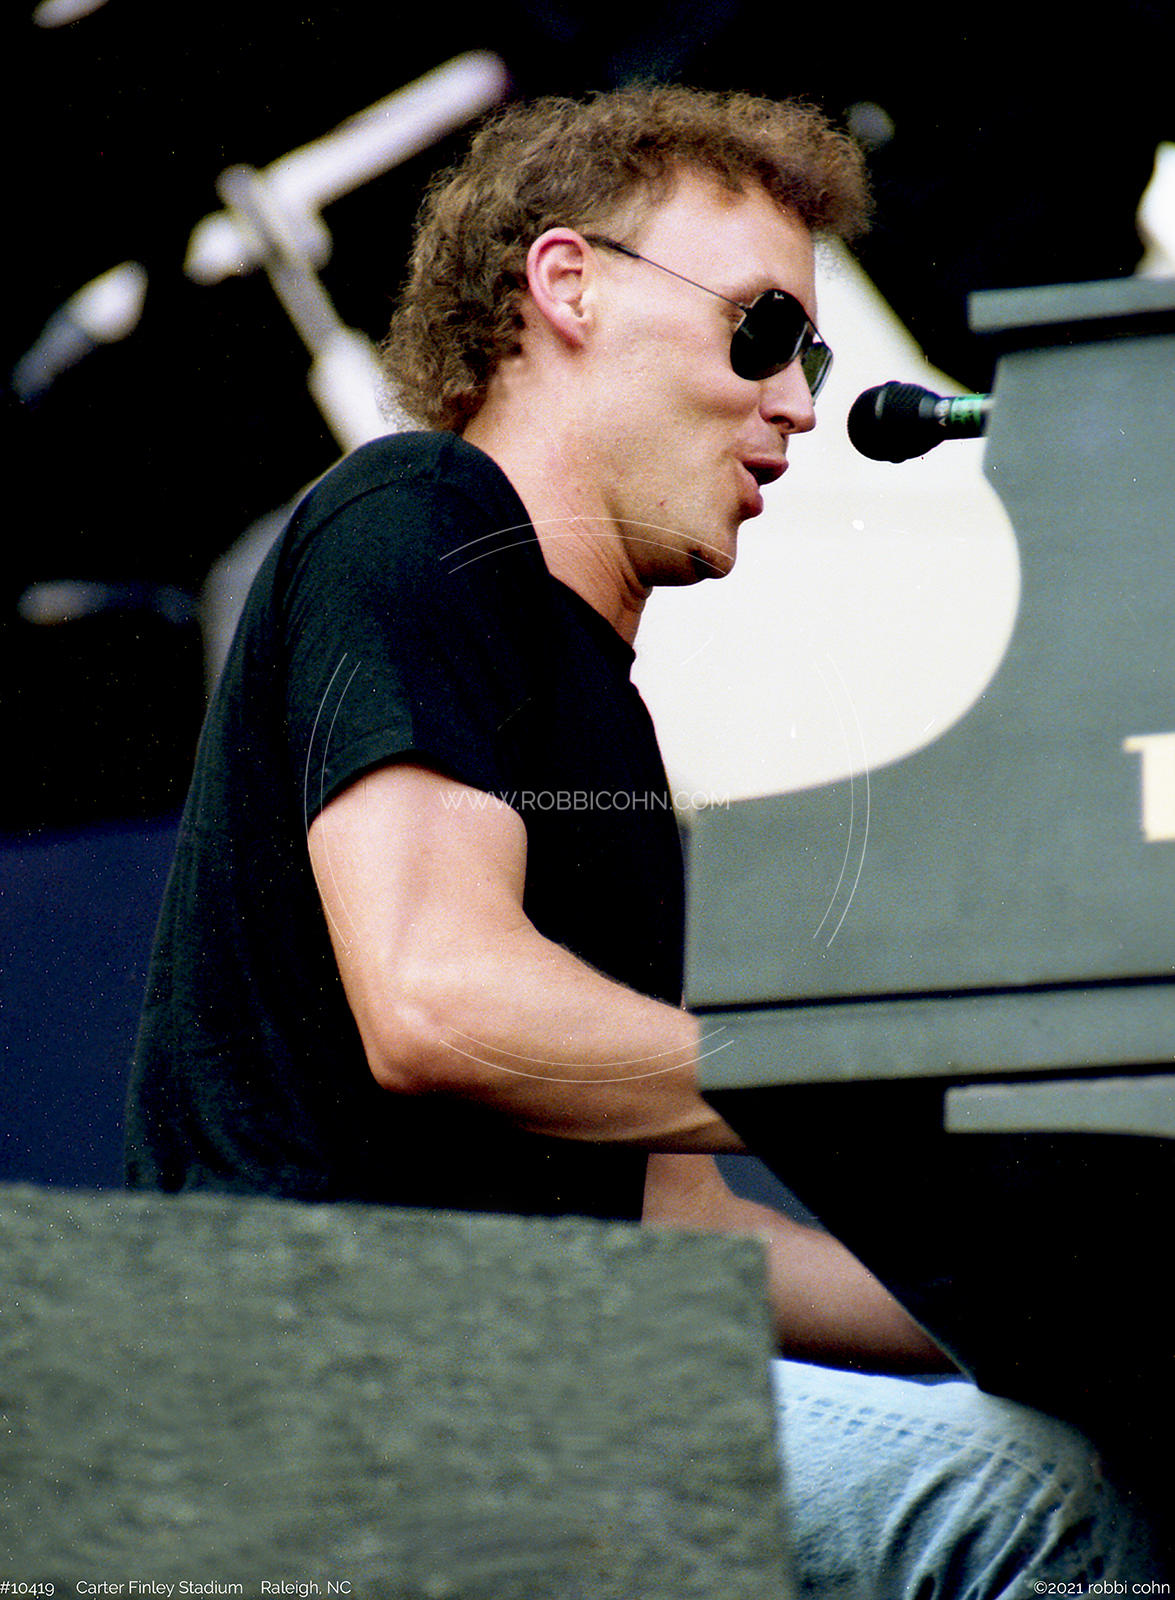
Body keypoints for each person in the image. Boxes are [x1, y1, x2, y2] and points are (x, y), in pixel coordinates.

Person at [125, 85, 1163, 1593]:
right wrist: (889, 1079)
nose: (799, 402)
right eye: (763, 331)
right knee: (1044, 1512)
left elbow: (680, 1229)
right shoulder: (416, 510)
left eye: (812, 357)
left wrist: (1061, 1305)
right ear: (571, 286)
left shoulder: (602, 731)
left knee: (1080, 1467)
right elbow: (437, 1002)